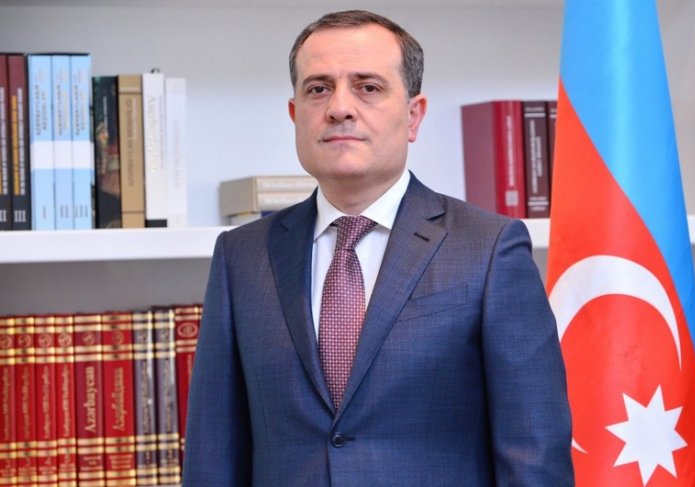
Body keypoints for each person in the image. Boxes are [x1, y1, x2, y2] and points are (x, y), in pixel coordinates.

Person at [183, 10, 573, 486]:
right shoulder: (240, 257)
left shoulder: (489, 250)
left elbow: (534, 455)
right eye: (318, 88)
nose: (339, 108)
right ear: (294, 114)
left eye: (367, 87)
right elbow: (213, 453)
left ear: (413, 115)